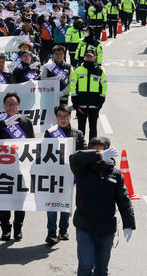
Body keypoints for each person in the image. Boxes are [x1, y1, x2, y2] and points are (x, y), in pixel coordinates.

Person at [70, 137, 135, 276]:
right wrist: (98, 155)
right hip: (84, 226)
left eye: (101, 151)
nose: (98, 154)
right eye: (94, 151)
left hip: (106, 229)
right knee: (86, 266)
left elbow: (124, 200)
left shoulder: (115, 174)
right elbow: (74, 158)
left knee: (101, 269)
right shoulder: (82, 170)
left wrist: (128, 223)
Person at [0, 93, 35, 241]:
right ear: (4, 106)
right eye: (8, 103)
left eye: (13, 104)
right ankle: (5, 229)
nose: (11, 106)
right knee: (4, 199)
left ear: (18, 106)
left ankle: (18, 228)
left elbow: (31, 144)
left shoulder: (26, 122)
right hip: (2, 166)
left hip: (21, 167)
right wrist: (4, 124)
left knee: (20, 199)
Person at [44, 104, 86, 245]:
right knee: (51, 204)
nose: (63, 119)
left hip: (70, 175)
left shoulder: (78, 134)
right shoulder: (50, 133)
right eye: (60, 117)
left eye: (66, 116)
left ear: (70, 116)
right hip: (53, 174)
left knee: (65, 204)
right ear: (56, 117)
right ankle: (51, 231)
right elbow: (44, 152)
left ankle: (63, 230)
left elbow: (83, 153)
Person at [70, 49, 107, 140]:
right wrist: (74, 99)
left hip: (94, 105)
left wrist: (101, 99)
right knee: (81, 129)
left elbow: (104, 86)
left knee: (93, 129)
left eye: (90, 56)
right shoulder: (78, 70)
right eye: (87, 56)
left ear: (94, 57)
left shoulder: (100, 70)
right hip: (81, 105)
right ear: (84, 57)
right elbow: (73, 85)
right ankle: (80, 147)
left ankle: (92, 148)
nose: (89, 58)